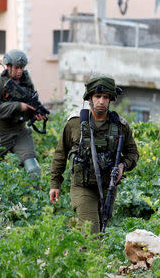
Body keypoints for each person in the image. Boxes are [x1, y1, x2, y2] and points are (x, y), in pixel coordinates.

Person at [49, 75, 139, 234]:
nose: (101, 101)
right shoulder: (75, 124)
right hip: (82, 187)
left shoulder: (120, 126)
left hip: (107, 188)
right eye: (98, 96)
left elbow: (133, 153)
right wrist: (55, 183)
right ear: (90, 98)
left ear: (110, 99)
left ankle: (77, 257)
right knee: (92, 234)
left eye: (105, 97)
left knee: (98, 231)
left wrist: (122, 165)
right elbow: (60, 154)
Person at [0, 49, 46, 180]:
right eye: (16, 68)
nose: (19, 71)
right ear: (8, 66)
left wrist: (35, 115)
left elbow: (30, 103)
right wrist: (18, 106)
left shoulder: (26, 82)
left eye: (22, 68)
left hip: (20, 132)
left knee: (34, 169)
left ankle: (34, 199)